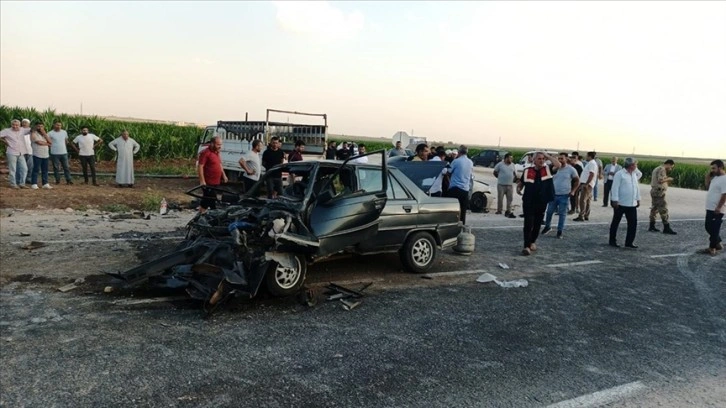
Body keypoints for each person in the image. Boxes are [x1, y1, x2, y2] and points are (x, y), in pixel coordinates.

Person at [517, 151, 560, 255]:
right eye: (539, 159)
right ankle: (526, 246)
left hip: (541, 201)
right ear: (534, 160)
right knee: (528, 224)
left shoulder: (548, 169)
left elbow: (558, 165)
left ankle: (532, 242)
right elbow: (522, 182)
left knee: (537, 224)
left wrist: (548, 156)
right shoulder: (527, 170)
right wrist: (519, 188)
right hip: (529, 201)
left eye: (542, 159)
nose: (541, 160)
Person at [541, 153, 579, 239]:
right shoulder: (554, 169)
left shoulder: (571, 169)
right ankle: (547, 226)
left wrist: (573, 191)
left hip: (564, 195)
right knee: (549, 212)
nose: (560, 160)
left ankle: (560, 231)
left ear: (566, 159)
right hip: (553, 194)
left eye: (562, 158)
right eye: (559, 159)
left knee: (562, 214)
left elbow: (577, 181)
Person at [609, 157, 641, 249]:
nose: (636, 166)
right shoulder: (620, 174)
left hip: (632, 203)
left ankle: (629, 242)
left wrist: (638, 199)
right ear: (631, 165)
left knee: (633, 223)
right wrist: (615, 200)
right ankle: (612, 240)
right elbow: (615, 187)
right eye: (635, 164)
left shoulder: (635, 174)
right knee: (616, 222)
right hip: (621, 203)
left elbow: (636, 188)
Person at [197, 136, 228, 213]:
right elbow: (200, 166)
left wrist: (224, 175)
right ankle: (213, 215)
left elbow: (219, 164)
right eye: (218, 144)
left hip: (215, 181)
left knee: (207, 200)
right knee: (211, 200)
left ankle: (200, 215)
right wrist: (202, 181)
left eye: (220, 144)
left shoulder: (216, 152)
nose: (220, 146)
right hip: (208, 182)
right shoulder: (205, 153)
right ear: (212, 143)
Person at [445, 145, 474, 224]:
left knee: (452, 209)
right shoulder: (470, 162)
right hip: (465, 189)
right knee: (463, 211)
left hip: (455, 188)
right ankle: (462, 226)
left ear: (459, 152)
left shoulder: (456, 161)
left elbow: (448, 172)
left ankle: (451, 226)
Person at [648, 159, 677, 235]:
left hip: (655, 191)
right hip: (659, 192)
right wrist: (669, 179)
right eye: (671, 167)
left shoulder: (657, 168)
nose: (671, 168)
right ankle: (666, 227)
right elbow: (660, 180)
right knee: (663, 209)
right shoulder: (662, 169)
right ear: (669, 164)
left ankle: (652, 225)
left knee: (654, 208)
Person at [703, 160, 725, 256]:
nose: (712, 170)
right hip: (710, 207)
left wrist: (719, 207)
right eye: (711, 168)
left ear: (720, 168)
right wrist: (707, 178)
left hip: (717, 209)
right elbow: (708, 188)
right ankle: (718, 243)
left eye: (714, 168)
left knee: (715, 228)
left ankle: (712, 248)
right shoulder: (715, 178)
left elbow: (725, 194)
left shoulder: (724, 179)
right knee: (708, 226)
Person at [0, 119, 31, 188]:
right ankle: (13, 184)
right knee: (13, 169)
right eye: (13, 125)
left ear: (19, 125)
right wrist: (4, 141)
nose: (15, 126)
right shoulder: (7, 131)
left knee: (24, 168)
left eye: (16, 125)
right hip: (11, 152)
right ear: (11, 125)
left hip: (21, 153)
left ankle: (22, 184)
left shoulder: (23, 130)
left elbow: (32, 130)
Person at [573, 151, 598, 222]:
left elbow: (591, 174)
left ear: (590, 156)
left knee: (582, 200)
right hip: (588, 184)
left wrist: (586, 184)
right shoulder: (591, 163)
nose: (586, 157)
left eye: (587, 156)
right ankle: (586, 215)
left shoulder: (592, 164)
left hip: (587, 184)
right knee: (587, 200)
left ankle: (581, 216)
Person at [493, 153, 517, 218]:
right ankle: (499, 210)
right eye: (510, 158)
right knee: (500, 198)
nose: (511, 159)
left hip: (510, 185)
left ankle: (508, 210)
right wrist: (500, 177)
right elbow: (495, 172)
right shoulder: (500, 164)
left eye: (512, 158)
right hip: (501, 185)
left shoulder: (513, 165)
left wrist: (514, 179)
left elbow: (514, 174)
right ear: (506, 158)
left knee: (510, 199)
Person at [30, 122, 53, 189]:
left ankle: (45, 183)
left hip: (45, 154)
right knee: (36, 169)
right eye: (38, 126)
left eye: (41, 126)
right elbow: (38, 142)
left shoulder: (45, 134)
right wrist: (47, 144)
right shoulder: (33, 133)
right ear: (36, 127)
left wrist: (44, 133)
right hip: (37, 154)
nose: (40, 128)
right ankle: (34, 183)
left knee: (45, 170)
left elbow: (51, 142)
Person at [20, 118, 33, 185]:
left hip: (30, 151)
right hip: (21, 151)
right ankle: (22, 179)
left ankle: (29, 178)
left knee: (30, 166)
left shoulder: (31, 130)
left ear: (29, 124)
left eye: (26, 122)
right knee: (22, 166)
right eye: (23, 122)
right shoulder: (19, 130)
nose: (24, 123)